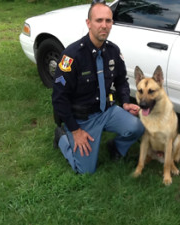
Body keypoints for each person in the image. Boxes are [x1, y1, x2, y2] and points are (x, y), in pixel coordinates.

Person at [52, 0, 145, 174]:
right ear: (89, 23)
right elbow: (59, 97)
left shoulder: (113, 51)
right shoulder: (71, 57)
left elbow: (121, 80)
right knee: (85, 170)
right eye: (99, 20)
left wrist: (124, 102)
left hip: (107, 111)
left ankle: (115, 148)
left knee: (137, 127)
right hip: (83, 119)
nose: (104, 25)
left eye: (108, 21)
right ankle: (62, 138)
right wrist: (75, 130)